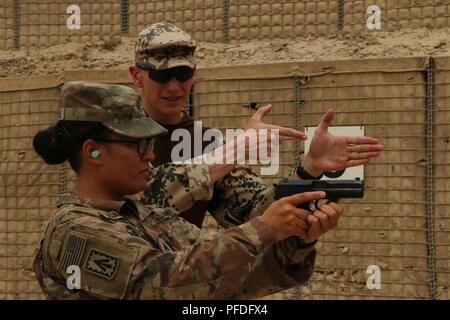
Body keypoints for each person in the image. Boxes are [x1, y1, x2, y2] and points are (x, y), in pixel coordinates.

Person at [32, 81, 344, 299]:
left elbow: (233, 279)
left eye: (151, 143)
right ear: (93, 151)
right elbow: (167, 284)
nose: (150, 154)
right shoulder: (74, 232)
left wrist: (297, 237)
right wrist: (262, 229)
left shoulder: (148, 216)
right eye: (139, 144)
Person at [129, 22, 384, 228]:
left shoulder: (204, 142)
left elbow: (257, 212)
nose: (174, 86)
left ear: (194, 76)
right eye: (161, 76)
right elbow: (139, 203)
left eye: (183, 75)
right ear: (136, 76)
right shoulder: (113, 133)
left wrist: (308, 170)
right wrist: (234, 151)